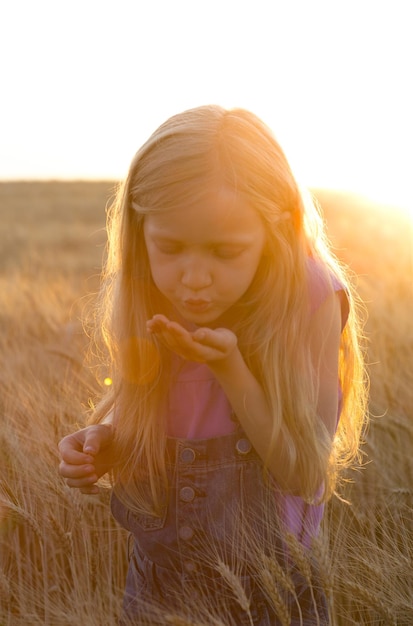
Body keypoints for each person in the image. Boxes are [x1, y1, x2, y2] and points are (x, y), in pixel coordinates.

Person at [58, 105, 367, 625]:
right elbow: (151, 411)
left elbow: (304, 469)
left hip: (266, 591)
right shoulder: (147, 290)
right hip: (157, 588)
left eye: (225, 252)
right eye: (171, 247)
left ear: (275, 232)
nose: (195, 277)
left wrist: (231, 367)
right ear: (142, 231)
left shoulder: (309, 297)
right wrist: (107, 440)